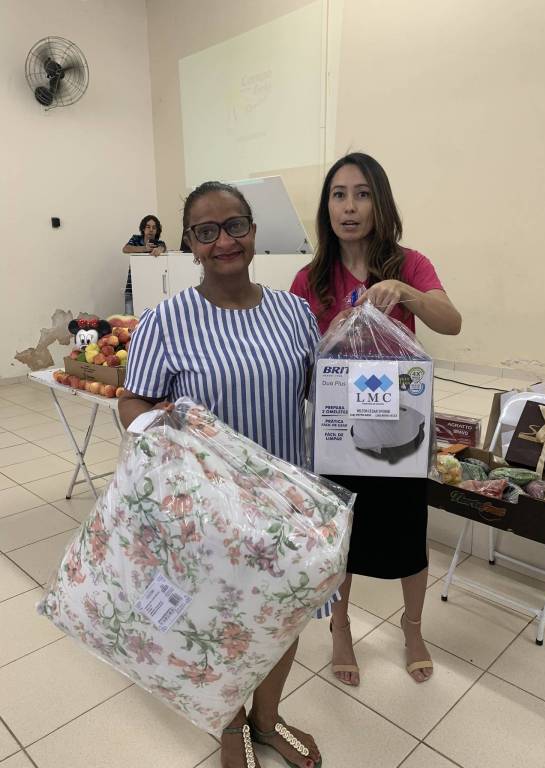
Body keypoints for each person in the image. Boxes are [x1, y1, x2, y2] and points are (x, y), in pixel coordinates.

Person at [120, 182, 322, 768]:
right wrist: (157, 430)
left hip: (284, 503)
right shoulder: (165, 321)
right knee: (218, 618)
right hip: (207, 508)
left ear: (253, 230)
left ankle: (268, 717)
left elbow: (321, 391)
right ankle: (231, 722)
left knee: (283, 613)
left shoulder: (294, 313)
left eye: (235, 225)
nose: (224, 241)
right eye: (206, 232)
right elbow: (132, 400)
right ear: (190, 243)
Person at [291, 152, 462, 686]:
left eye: (362, 194)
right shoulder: (310, 278)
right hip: (339, 432)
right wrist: (334, 332)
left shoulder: (409, 264)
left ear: (380, 202)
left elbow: (451, 322)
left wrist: (406, 292)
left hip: (401, 428)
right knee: (342, 536)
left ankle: (413, 628)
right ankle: (340, 628)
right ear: (327, 207)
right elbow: (297, 357)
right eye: (338, 195)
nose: (349, 207)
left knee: (409, 532)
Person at [122, 215, 167, 314]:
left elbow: (163, 247)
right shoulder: (136, 239)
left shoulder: (160, 243)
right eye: (148, 227)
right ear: (143, 228)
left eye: (154, 227)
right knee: (129, 320)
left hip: (150, 289)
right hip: (131, 288)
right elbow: (125, 249)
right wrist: (144, 248)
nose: (151, 230)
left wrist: (160, 249)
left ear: (157, 230)